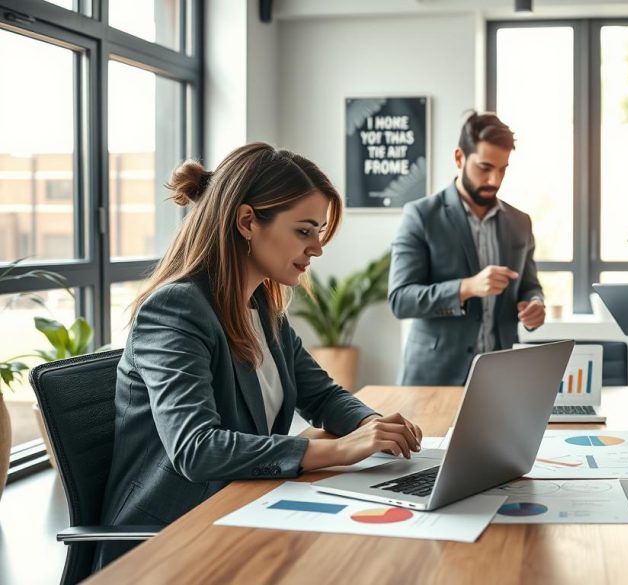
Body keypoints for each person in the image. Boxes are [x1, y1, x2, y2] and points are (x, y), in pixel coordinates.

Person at [97, 143, 423, 567]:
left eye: (319, 233)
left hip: (243, 508)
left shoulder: (263, 309)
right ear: (248, 221)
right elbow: (197, 448)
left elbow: (321, 396)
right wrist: (341, 450)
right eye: (305, 231)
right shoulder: (176, 309)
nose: (317, 248)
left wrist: (372, 426)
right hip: (171, 539)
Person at [389, 112, 545, 385]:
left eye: (503, 169)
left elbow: (529, 285)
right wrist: (467, 287)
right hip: (435, 379)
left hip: (503, 378)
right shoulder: (420, 216)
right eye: (485, 167)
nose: (494, 180)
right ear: (459, 158)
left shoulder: (521, 222)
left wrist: (535, 305)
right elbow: (401, 300)